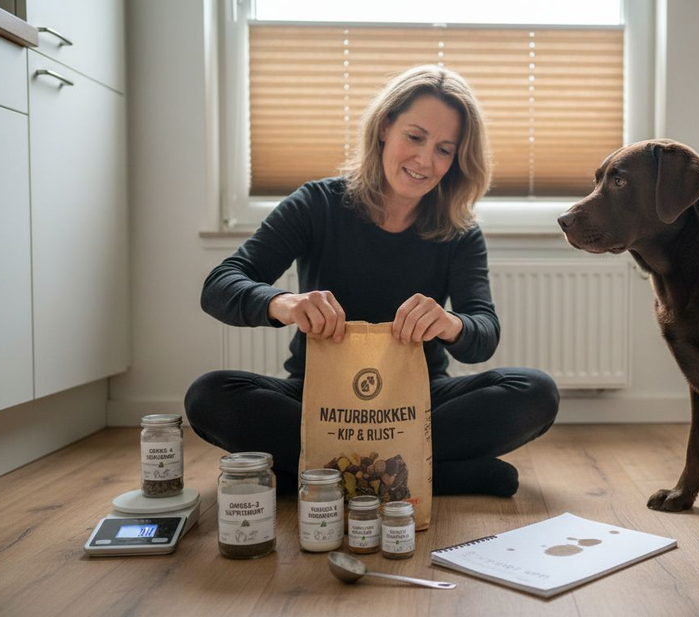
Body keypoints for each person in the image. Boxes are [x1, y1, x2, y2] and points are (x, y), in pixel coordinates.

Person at [185, 65, 559, 497]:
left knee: (536, 392)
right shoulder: (316, 204)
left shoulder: (459, 229)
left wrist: (449, 323)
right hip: (319, 399)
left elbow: (484, 331)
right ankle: (434, 475)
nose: (424, 160)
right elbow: (220, 284)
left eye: (444, 149)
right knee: (208, 396)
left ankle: (316, 475)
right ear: (385, 126)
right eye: (415, 137)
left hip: (418, 401)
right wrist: (284, 303)